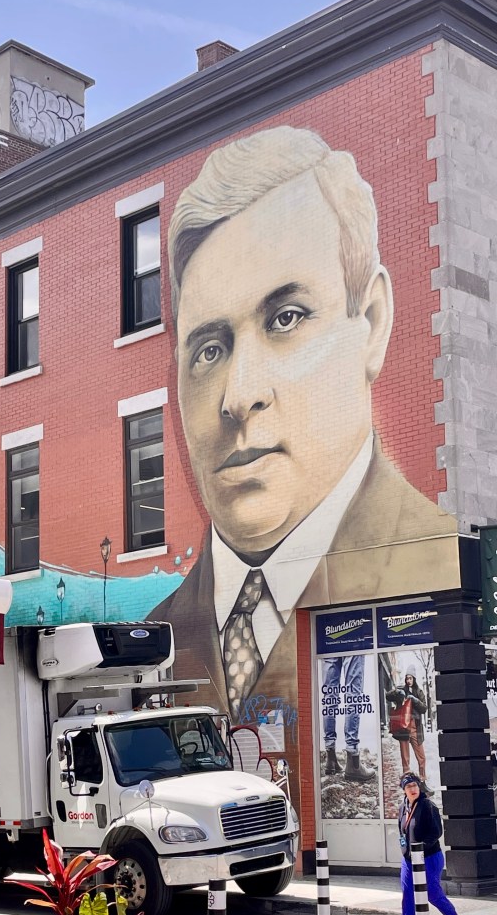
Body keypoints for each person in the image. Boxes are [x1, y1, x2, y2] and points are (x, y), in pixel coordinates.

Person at [156, 125, 456, 722]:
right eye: (209, 350)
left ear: (371, 322)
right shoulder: (157, 637)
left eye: (286, 318)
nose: (239, 396)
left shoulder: (435, 573)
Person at [391, 773, 470, 915]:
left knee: (433, 894)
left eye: (415, 785)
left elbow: (436, 833)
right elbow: (403, 832)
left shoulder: (428, 806)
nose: (412, 789)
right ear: (403, 790)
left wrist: (420, 849)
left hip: (429, 857)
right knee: (407, 894)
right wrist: (405, 851)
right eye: (408, 786)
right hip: (409, 859)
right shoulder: (403, 807)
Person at [320, 654, 372, 782]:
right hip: (352, 642)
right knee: (353, 695)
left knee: (330, 697)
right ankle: (353, 762)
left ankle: (331, 759)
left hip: (328, 643)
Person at [385, 672, 427, 777]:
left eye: (410, 678)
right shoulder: (402, 689)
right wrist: (398, 692)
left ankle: (422, 778)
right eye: (407, 678)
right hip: (403, 727)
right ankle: (407, 779)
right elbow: (388, 696)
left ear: (414, 679)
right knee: (405, 757)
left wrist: (415, 700)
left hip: (415, 727)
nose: (408, 680)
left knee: (421, 757)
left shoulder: (419, 692)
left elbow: (424, 709)